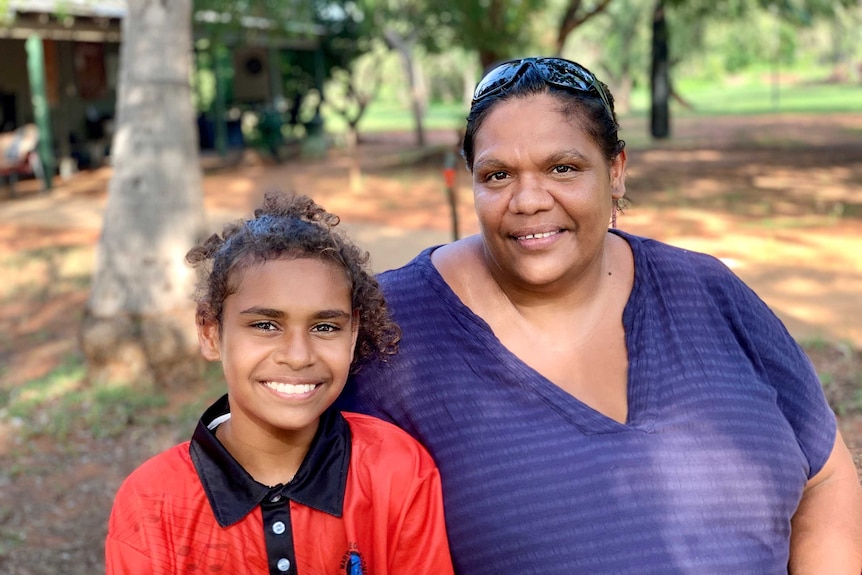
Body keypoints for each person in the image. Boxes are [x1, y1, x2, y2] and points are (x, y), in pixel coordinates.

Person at [339, 57, 862, 573]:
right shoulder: (389, 333)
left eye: (562, 168)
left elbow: (826, 477)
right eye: (498, 175)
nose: (528, 200)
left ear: (616, 171)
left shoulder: (707, 290)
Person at [105, 192, 455, 575]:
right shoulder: (151, 503)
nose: (299, 355)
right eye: (265, 325)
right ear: (209, 332)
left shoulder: (398, 469)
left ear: (353, 333)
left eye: (325, 327)